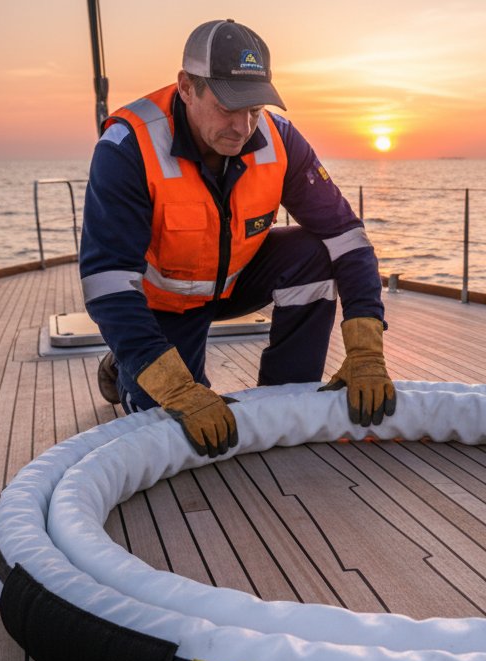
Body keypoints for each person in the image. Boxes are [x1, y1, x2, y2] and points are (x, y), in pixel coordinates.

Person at [80, 19, 395, 457]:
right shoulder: (127, 148)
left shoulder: (279, 141)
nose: (243, 126)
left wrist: (366, 350)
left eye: (254, 108)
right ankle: (123, 366)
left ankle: (287, 396)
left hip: (232, 281)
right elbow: (108, 281)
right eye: (228, 106)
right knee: (167, 424)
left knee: (314, 252)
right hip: (161, 307)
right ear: (187, 86)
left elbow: (347, 236)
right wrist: (175, 387)